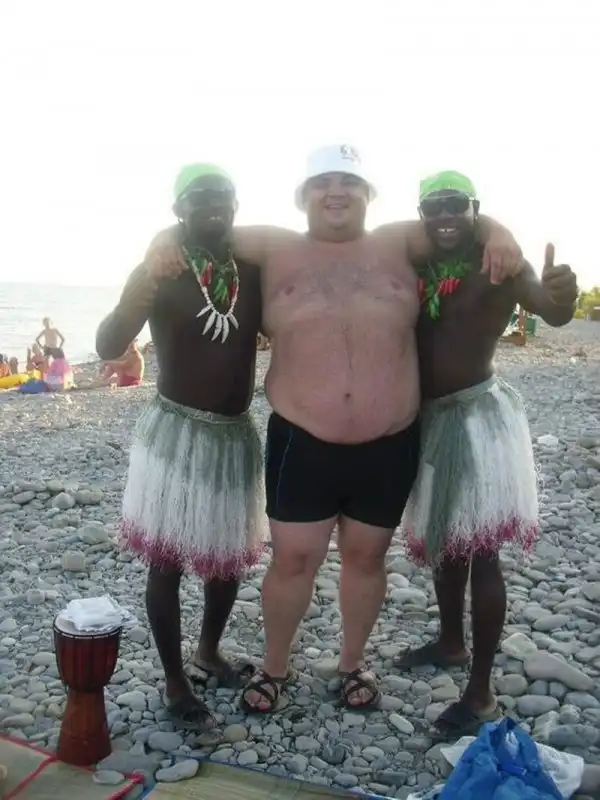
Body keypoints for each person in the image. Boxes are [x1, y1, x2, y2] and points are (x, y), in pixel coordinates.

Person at [144, 145, 524, 713]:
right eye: (323, 182)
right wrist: (160, 239)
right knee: (292, 561)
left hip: (389, 440)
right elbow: (202, 227)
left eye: (349, 181)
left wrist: (499, 230)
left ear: (369, 194)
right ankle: (275, 667)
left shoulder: (400, 241)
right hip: (303, 439)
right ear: (303, 196)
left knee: (366, 560)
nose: (336, 191)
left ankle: (351, 664)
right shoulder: (271, 245)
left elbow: (460, 223)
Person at [395, 170, 578, 737]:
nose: (444, 215)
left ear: (474, 207)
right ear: (422, 215)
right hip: (428, 419)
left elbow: (551, 311)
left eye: (456, 204)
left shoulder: (500, 263)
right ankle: (451, 642)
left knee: (482, 552)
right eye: (433, 207)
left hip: (478, 418)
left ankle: (480, 692)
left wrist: (562, 294)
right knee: (446, 540)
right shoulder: (415, 260)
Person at [96, 164, 264, 730]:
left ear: (236, 204)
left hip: (235, 435)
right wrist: (131, 299)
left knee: (226, 559)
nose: (213, 203)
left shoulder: (252, 269)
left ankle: (209, 651)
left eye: (223, 194)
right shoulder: (161, 268)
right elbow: (108, 343)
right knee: (167, 562)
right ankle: (174, 679)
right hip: (175, 434)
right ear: (178, 210)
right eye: (199, 196)